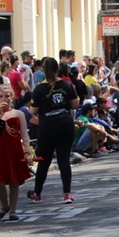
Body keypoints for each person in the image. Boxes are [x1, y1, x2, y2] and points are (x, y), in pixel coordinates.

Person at [28, 57, 79, 203]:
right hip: (65, 124)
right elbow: (75, 104)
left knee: (44, 161)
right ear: (58, 69)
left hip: (47, 126)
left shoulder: (39, 89)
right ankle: (67, 193)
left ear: (43, 70)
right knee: (64, 160)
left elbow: (33, 110)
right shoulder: (66, 85)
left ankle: (37, 193)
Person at [0, 86, 31, 221]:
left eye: (7, 96)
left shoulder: (18, 113)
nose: (4, 99)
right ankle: (4, 206)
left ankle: (12, 210)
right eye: (1, 96)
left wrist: (27, 152)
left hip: (14, 148)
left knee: (14, 180)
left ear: (12, 97)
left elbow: (24, 134)